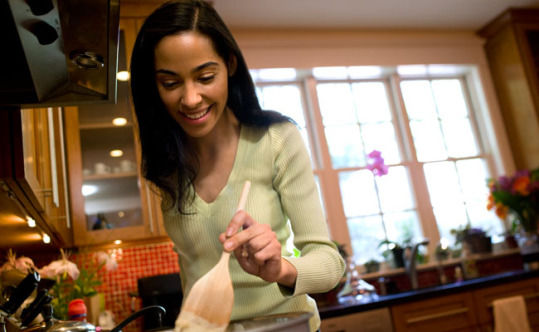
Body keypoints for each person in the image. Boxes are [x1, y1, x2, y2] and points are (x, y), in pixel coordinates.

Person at [130, 1, 345, 331]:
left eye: (205, 76)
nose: (190, 99)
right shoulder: (166, 165)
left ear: (229, 64)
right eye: (170, 83)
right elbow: (192, 271)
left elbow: (330, 265)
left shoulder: (275, 140)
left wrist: (281, 269)